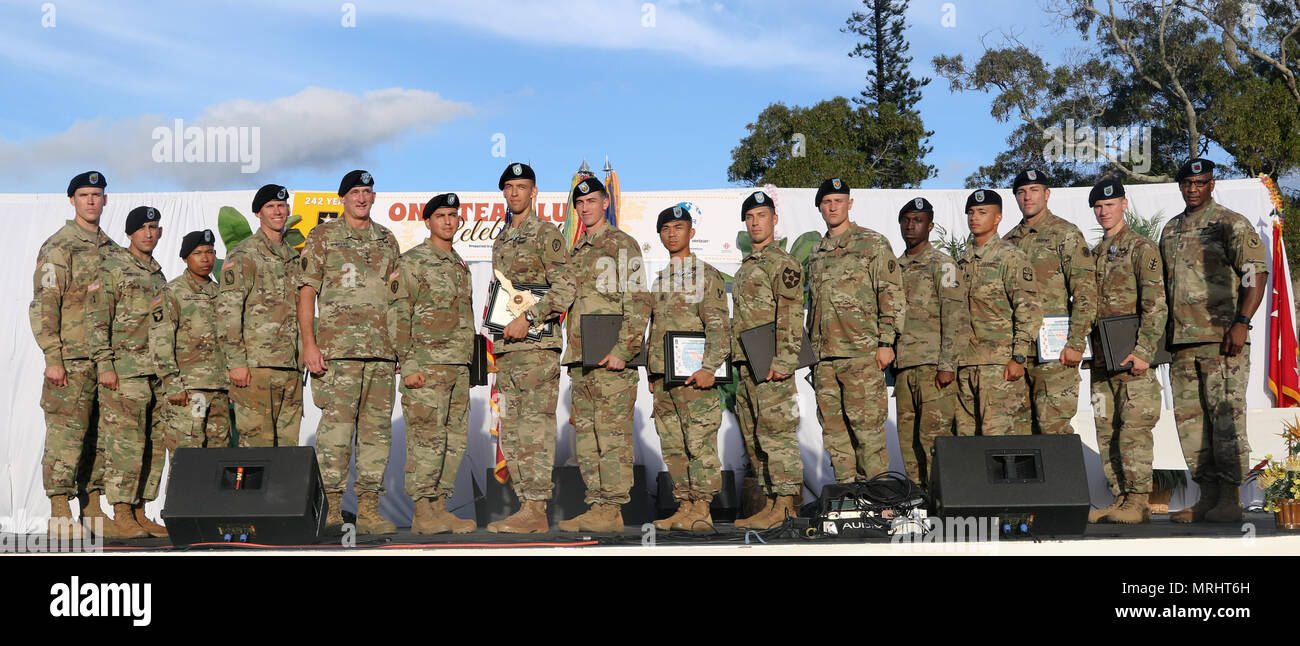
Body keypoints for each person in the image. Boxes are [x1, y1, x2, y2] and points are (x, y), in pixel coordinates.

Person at [1159, 158, 1267, 523]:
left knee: (1225, 421)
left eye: (1200, 182)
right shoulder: (1170, 229)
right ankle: (1206, 496)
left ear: (1212, 184)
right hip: (1182, 342)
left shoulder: (1230, 223)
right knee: (1191, 425)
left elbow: (1255, 273)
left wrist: (1242, 322)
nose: (1193, 188)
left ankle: (1231, 498)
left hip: (1223, 340)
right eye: (1187, 183)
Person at [298, 170, 401, 534]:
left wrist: (400, 348)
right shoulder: (323, 236)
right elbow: (307, 292)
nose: (361, 198)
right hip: (337, 353)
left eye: (367, 192)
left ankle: (370, 509)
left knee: (376, 435)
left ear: (374, 197)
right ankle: (332, 509)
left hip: (381, 354)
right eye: (355, 192)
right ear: (342, 198)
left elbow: (397, 299)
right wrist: (309, 344)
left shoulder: (387, 240)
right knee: (336, 435)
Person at [552, 177, 651, 534]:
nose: (585, 208)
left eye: (592, 201)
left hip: (612, 359)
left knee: (612, 437)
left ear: (605, 202)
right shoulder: (576, 250)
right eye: (580, 204)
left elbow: (639, 300)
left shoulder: (623, 244)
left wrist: (624, 350)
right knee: (588, 437)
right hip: (582, 359)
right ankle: (596, 504)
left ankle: (612, 509)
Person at [485, 163, 576, 534]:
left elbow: (566, 286)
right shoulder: (502, 239)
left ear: (534, 191)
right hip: (508, 351)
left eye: (521, 187)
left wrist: (531, 318)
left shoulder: (547, 234)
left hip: (537, 350)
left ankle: (537, 506)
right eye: (509, 187)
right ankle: (526, 506)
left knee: (535, 427)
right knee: (512, 426)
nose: (514, 193)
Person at [31, 170, 119, 539]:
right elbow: (44, 304)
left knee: (101, 438)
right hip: (71, 359)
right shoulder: (59, 247)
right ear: (72, 200)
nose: (91, 201)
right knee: (67, 437)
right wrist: (53, 356)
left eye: (96, 195)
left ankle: (94, 510)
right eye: (84, 195)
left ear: (105, 200)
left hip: (107, 362)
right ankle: (59, 512)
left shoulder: (114, 251)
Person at [807, 177, 905, 484]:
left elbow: (891, 293)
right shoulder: (816, 252)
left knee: (868, 433)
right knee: (835, 434)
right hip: (824, 358)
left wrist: (886, 341)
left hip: (861, 354)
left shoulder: (872, 243)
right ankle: (849, 499)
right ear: (820, 208)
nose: (833, 206)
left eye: (838, 200)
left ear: (850, 204)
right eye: (826, 202)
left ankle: (878, 499)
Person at [392, 193, 476, 535]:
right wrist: (408, 364)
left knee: (453, 441)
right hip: (426, 366)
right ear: (428, 221)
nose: (447, 221)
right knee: (426, 440)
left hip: (458, 367)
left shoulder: (459, 263)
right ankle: (423, 511)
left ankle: (440, 507)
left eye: (453, 216)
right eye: (440, 215)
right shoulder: (412, 262)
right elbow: (398, 314)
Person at [1086, 179, 1167, 524]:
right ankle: (1120, 498)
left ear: (1124, 204)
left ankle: (1138, 500)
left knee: (1134, 429)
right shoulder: (1093, 254)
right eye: (1098, 207)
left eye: (1110, 205)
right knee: (1107, 429)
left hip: (1133, 359)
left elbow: (1156, 304)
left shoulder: (1141, 248)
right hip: (1103, 361)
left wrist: (1144, 350)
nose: (1104, 212)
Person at [646, 205, 730, 533]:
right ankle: (684, 506)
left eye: (678, 227)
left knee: (699, 443)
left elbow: (719, 327)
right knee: (673, 445)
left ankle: (703, 509)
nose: (672, 233)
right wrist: (653, 374)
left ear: (691, 233)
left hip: (696, 378)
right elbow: (655, 330)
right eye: (666, 228)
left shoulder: (706, 275)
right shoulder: (660, 280)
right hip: (665, 379)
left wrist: (710, 367)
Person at [88, 206, 169, 539]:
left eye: (154, 227)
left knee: (153, 444)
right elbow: (97, 320)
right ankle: (121, 511)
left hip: (156, 372)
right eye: (143, 228)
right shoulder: (112, 268)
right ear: (130, 233)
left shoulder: (158, 273)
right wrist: (104, 364)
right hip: (124, 372)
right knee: (125, 444)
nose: (149, 233)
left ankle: (140, 512)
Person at [1003, 169, 1097, 435]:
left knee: (1053, 431)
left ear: (1047, 194)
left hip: (1056, 353)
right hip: (1017, 354)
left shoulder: (1065, 233)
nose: (1027, 197)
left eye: (1034, 190)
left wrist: (1077, 341)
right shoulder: (1008, 242)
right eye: (1021, 192)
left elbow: (1085, 291)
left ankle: (1065, 479)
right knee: (1018, 434)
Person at [731, 190, 804, 530]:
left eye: (762, 215)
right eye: (750, 217)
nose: (756, 221)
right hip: (746, 364)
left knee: (777, 434)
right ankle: (770, 502)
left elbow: (790, 314)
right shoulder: (747, 266)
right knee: (755, 436)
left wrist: (785, 360)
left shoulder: (783, 262)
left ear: (774, 220)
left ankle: (787, 504)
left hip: (772, 364)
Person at [217, 184, 303, 448]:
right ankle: (247, 492)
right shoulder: (244, 253)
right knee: (255, 448)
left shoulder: (293, 257)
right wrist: (236, 363)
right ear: (258, 213)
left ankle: (281, 492)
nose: (278, 211)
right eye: (270, 207)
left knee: (288, 451)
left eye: (281, 206)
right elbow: (228, 311)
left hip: (290, 367)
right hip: (255, 368)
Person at [955, 189, 1042, 436]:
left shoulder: (1011, 257)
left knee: (999, 443)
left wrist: (1019, 357)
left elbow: (1028, 310)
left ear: (998, 218)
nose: (974, 217)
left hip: (999, 366)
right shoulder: (960, 262)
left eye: (982, 212)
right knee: (966, 443)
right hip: (965, 365)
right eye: (971, 212)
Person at [895, 197, 967, 490]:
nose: (911, 226)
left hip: (933, 367)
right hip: (903, 367)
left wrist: (947, 364)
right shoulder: (894, 267)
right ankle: (916, 499)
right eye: (907, 220)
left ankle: (943, 499)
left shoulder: (943, 265)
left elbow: (955, 317)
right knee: (907, 440)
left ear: (930, 226)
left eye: (918, 221)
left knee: (934, 440)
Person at [150, 229, 231, 453]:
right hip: (189, 392)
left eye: (210, 252)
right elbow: (160, 341)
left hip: (220, 391)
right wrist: (172, 383)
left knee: (217, 461)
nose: (205, 258)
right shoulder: (172, 293)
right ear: (186, 257)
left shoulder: (221, 292)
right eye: (198, 253)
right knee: (187, 459)